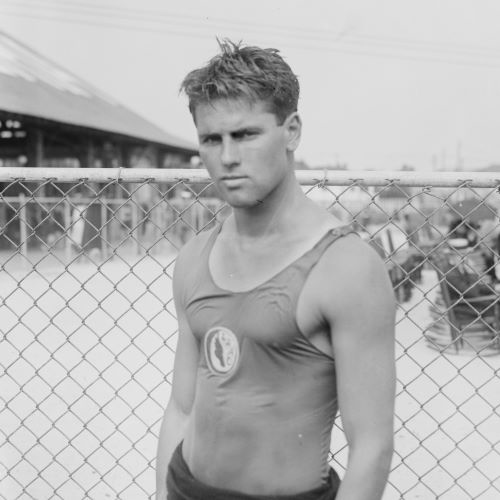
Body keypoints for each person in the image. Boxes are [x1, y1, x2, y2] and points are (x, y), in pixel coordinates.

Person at [156, 40, 396, 500]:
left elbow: (371, 446)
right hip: (186, 486)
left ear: (291, 131)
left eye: (245, 134)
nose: (227, 157)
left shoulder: (346, 268)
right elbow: (182, 406)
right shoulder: (195, 256)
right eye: (211, 139)